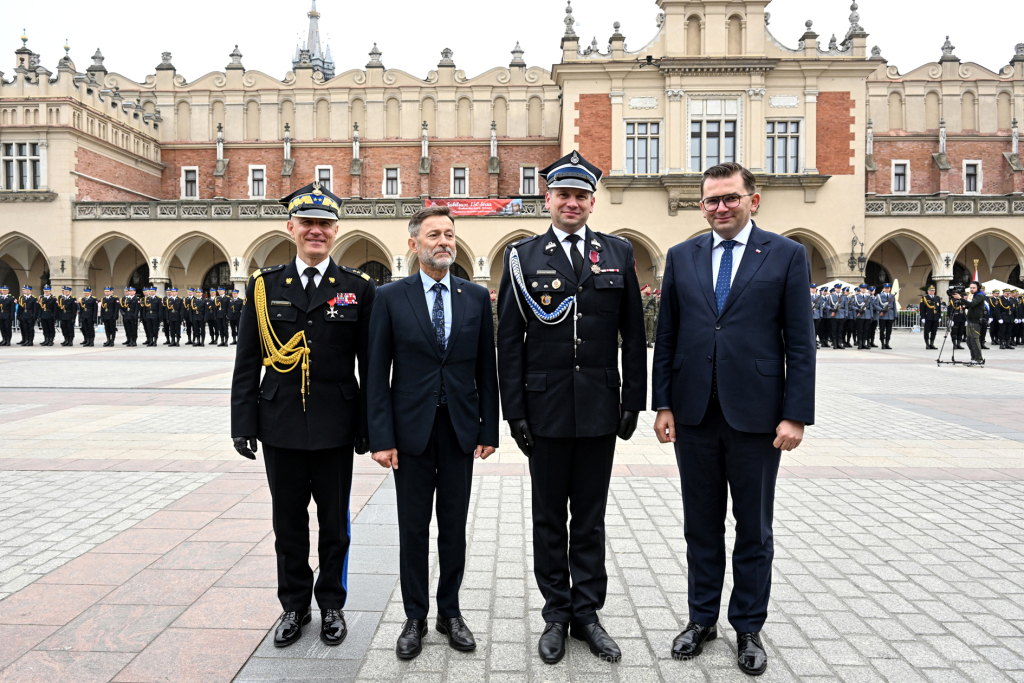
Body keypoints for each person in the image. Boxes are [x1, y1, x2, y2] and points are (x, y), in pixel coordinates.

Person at [652, 162, 815, 677]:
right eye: (711, 200)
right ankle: (701, 620)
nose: (720, 207)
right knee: (700, 526)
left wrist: (795, 415)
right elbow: (668, 337)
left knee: (753, 529)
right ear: (701, 205)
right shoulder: (682, 256)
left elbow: (800, 342)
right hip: (694, 415)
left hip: (758, 419)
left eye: (730, 198)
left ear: (753, 199)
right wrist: (663, 404)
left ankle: (747, 625)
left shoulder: (787, 255)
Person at [497, 150, 646, 665]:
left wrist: (634, 399)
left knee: (590, 517)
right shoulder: (523, 257)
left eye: (581, 195)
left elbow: (633, 333)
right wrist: (514, 410)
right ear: (549, 198)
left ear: (591, 200)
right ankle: (556, 612)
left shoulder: (618, 253)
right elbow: (509, 339)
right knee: (547, 517)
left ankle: (587, 613)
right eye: (563, 194)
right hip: (545, 408)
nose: (572, 202)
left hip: (601, 406)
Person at [231, 181, 375, 649]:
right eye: (307, 223)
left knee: (335, 524)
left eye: (324, 224)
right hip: (280, 424)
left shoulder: (356, 289)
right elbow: (247, 361)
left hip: (336, 424)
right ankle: (294, 606)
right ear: (291, 227)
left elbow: (370, 365)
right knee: (288, 523)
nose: (316, 231)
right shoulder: (263, 287)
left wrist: (369, 425)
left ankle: (332, 603)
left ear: (336, 231)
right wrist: (242, 423)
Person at [367, 205, 499, 660]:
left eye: (449, 234)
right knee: (413, 528)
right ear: (414, 244)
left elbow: (487, 368)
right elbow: (377, 372)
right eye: (434, 235)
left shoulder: (475, 298)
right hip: (410, 434)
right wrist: (380, 437)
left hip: (461, 431)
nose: (444, 241)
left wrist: (489, 429)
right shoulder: (389, 297)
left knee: (454, 529)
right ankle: (415, 616)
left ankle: (451, 611)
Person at [951, 281, 985, 363]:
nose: (972, 289)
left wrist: (961, 298)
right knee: (969, 340)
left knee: (974, 339)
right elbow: (972, 306)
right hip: (970, 320)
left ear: (978, 288)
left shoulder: (980, 295)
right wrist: (965, 306)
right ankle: (973, 357)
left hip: (975, 320)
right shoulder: (974, 295)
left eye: (974, 288)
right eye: (971, 288)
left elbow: (972, 304)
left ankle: (979, 358)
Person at [919, 285, 941, 349]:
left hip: (935, 317)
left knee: (934, 331)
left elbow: (939, 308)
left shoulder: (937, 298)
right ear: (928, 291)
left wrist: (939, 316)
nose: (932, 291)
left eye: (933, 290)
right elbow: (922, 308)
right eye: (931, 290)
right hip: (928, 317)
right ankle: (927, 344)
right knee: (927, 331)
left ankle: (932, 343)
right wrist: (922, 317)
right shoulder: (924, 298)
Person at [877, 283, 897, 349]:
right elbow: (876, 305)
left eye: (888, 288)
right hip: (883, 315)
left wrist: (895, 315)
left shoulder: (892, 296)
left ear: (890, 289)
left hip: (890, 315)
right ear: (883, 289)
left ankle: (887, 343)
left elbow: (894, 306)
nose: (887, 289)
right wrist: (881, 310)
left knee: (889, 330)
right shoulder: (879, 296)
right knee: (882, 330)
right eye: (885, 288)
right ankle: (882, 343)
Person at [852, 285, 871, 349]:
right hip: (860, 315)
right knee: (859, 330)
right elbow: (852, 305)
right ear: (860, 289)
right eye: (862, 288)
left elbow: (870, 306)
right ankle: (860, 343)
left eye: (865, 288)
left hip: (867, 315)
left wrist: (871, 316)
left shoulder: (868, 297)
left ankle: (864, 343)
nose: (863, 289)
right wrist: (857, 310)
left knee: (866, 330)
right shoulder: (856, 297)